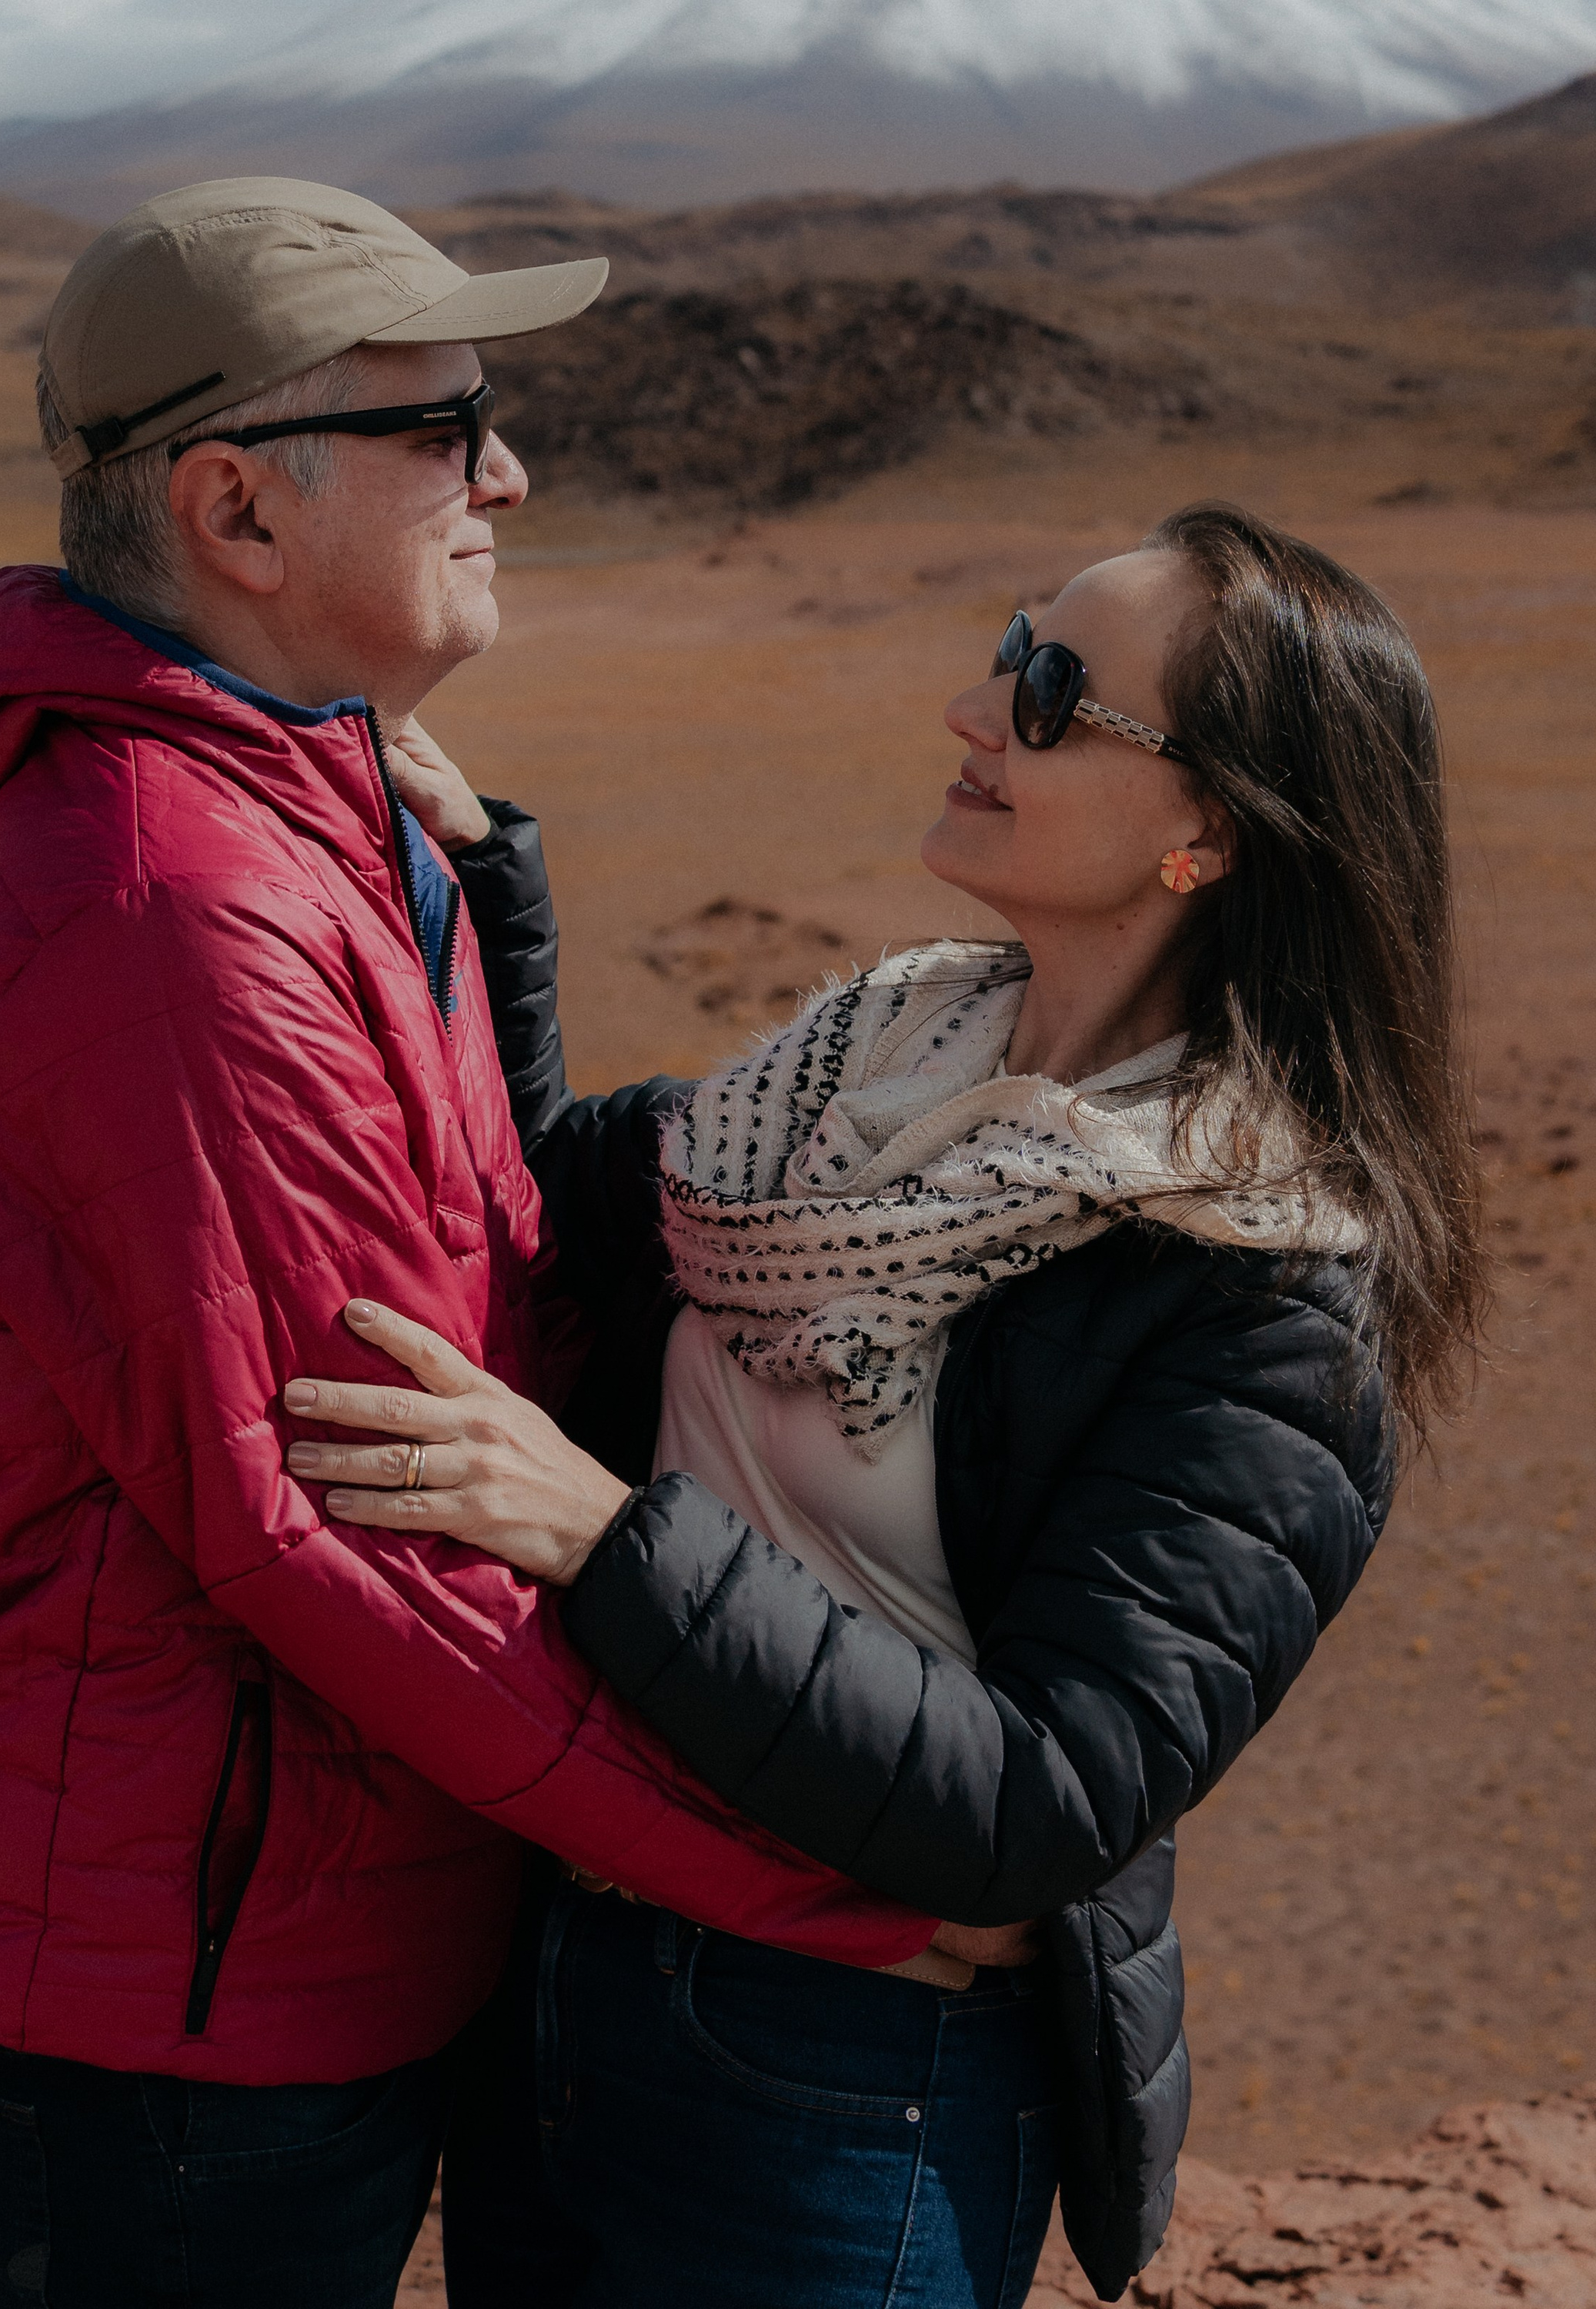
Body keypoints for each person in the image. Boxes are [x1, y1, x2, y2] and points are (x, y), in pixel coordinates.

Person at [0, 179, 944, 2309]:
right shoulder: (172, 913)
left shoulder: (319, 812)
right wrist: (820, 1883)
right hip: (162, 1995)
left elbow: (470, 1297)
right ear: (237, 512)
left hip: (251, 1928)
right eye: (446, 429)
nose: (505, 471)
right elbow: (338, 1518)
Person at [282, 503, 1485, 2308]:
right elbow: (538, 1213)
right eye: (1012, 647)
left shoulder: (1258, 1285)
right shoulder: (865, 1075)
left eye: (1055, 691)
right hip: (567, 1973)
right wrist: (476, 889)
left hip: (847, 2075)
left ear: (1210, 834)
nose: (971, 708)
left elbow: (1035, 1802)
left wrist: (608, 1539)